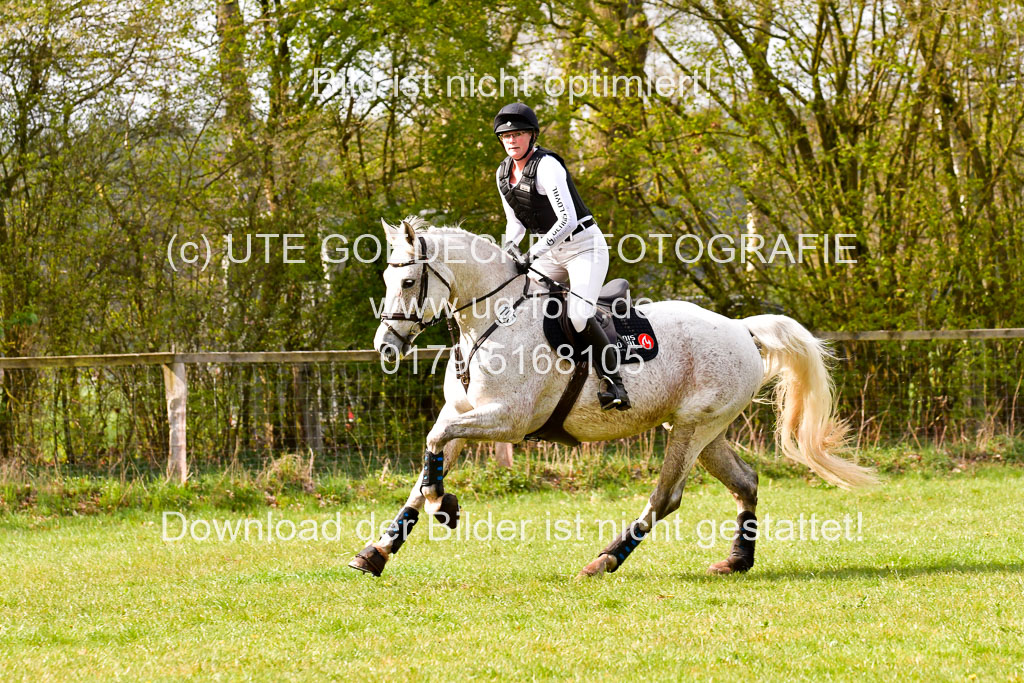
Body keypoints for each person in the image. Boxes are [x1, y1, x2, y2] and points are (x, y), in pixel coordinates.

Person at [493, 102, 631, 411]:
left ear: (532, 135)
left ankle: (614, 382)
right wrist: (509, 248)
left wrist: (531, 253)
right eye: (506, 136)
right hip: (550, 251)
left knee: (579, 314)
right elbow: (515, 224)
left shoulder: (547, 166)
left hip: (584, 247)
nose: (512, 140)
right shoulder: (502, 173)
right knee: (520, 304)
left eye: (518, 134)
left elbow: (567, 220)